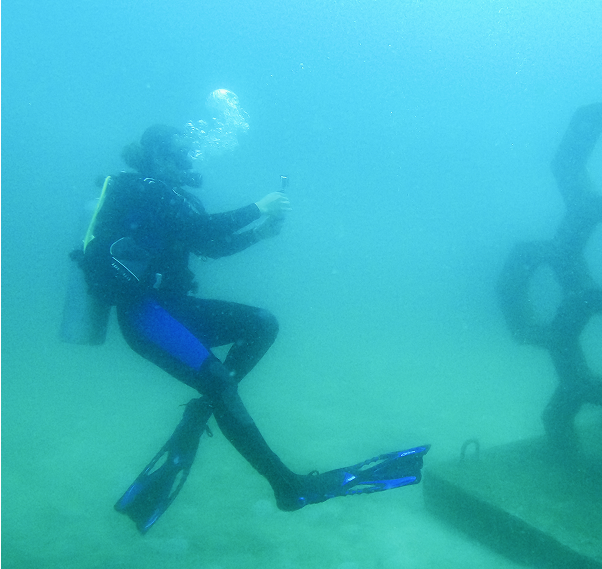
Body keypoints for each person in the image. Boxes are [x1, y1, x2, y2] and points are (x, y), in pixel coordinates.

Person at [77, 124, 428, 533]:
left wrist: (259, 234)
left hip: (174, 308)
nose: (188, 161)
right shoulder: (144, 188)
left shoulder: (175, 197)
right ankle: (287, 486)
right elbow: (200, 231)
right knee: (219, 381)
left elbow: (209, 247)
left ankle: (206, 405)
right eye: (179, 154)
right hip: (143, 313)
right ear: (156, 155)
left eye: (188, 153)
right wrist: (258, 208)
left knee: (262, 324)